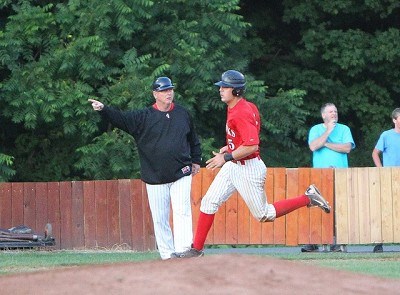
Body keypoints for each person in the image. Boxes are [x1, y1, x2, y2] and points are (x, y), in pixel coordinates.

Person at [174, 70, 331, 258]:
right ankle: (196, 250)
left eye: (225, 87)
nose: (221, 90)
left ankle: (309, 197)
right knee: (209, 202)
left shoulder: (240, 112)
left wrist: (225, 157)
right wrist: (230, 147)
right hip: (235, 164)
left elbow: (252, 145)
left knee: (264, 214)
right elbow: (246, 138)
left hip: (248, 168)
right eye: (221, 86)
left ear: (236, 91)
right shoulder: (243, 106)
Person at [88, 77, 202, 260]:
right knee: (160, 218)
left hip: (181, 172)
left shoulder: (183, 113)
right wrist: (104, 109)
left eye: (170, 89)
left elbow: (193, 139)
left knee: (182, 211)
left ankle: (183, 250)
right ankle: (168, 255)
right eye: (164, 90)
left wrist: (196, 160)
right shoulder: (143, 117)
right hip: (154, 175)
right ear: (155, 94)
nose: (169, 93)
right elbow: (121, 119)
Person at [302, 103, 355, 252]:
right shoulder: (316, 129)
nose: (334, 114)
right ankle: (313, 241)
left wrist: (325, 143)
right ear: (323, 115)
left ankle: (336, 241)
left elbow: (347, 148)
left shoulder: (344, 129)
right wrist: (328, 132)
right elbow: (313, 147)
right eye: (330, 112)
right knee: (317, 206)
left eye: (336, 111)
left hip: (340, 174)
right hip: (320, 175)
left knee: (339, 208)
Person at [371, 107, 400, 253]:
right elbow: (375, 153)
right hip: (389, 177)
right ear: (394, 120)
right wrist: (381, 170)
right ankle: (379, 242)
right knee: (385, 209)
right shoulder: (386, 135)